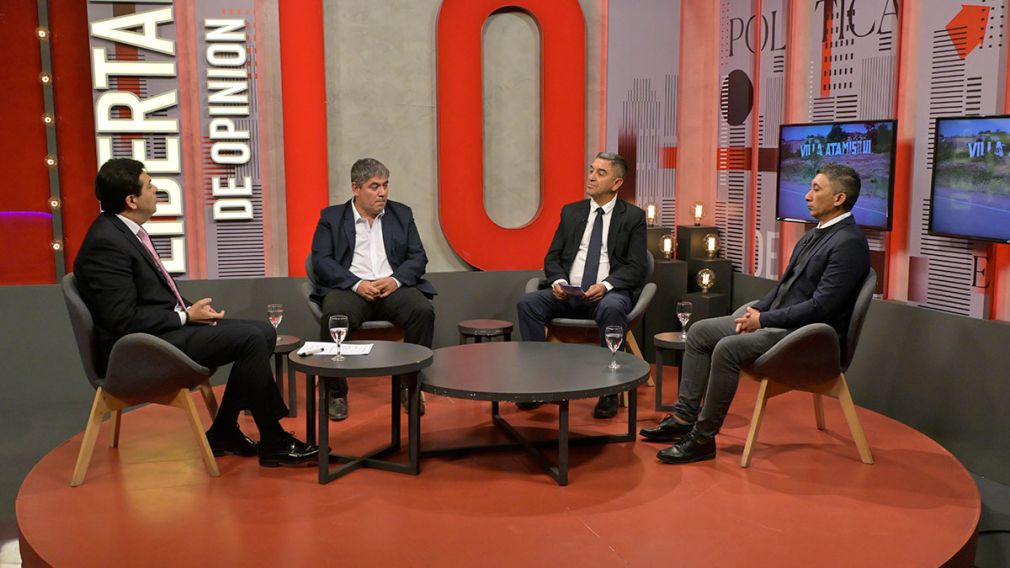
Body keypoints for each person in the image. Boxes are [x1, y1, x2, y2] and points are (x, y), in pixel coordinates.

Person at [74, 158, 318, 468]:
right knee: (252, 339)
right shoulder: (106, 244)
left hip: (160, 333)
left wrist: (191, 310)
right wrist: (186, 317)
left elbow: (153, 294)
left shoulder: (124, 232)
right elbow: (121, 320)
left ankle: (226, 432)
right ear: (132, 200)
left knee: (262, 332)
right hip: (138, 350)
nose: (156, 189)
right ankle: (273, 440)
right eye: (149, 185)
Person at [642, 163, 871, 464]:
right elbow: (784, 287)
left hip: (809, 338)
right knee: (699, 332)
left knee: (727, 348)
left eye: (816, 189)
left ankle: (703, 438)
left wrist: (763, 320)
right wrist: (758, 310)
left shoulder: (849, 243)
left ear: (839, 199)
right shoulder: (814, 234)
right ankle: (684, 419)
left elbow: (821, 308)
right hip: (781, 324)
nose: (807, 196)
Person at [516, 152, 649, 419]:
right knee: (527, 304)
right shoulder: (571, 212)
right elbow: (552, 257)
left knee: (613, 308)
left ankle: (609, 390)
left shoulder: (633, 217)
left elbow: (636, 267)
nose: (591, 177)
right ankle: (536, 384)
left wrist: (606, 285)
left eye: (601, 173)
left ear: (617, 183)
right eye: (591, 170)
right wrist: (559, 282)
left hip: (607, 295)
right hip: (568, 294)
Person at [310, 158, 436, 420]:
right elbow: (322, 262)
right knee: (335, 316)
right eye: (375, 186)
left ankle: (409, 385)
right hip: (350, 288)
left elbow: (418, 257)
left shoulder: (402, 214)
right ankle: (336, 392)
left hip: (392, 288)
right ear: (356, 188)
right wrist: (356, 284)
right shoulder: (331, 218)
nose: (383, 193)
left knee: (423, 311)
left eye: (385, 185)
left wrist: (395, 280)